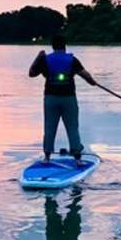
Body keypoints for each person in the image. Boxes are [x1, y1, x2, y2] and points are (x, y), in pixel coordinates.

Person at [28, 34, 97, 164]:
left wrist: (38, 58)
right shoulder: (72, 60)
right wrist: (92, 82)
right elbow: (85, 75)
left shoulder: (45, 60)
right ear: (64, 46)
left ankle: (47, 157)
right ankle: (77, 158)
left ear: (52, 46)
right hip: (69, 99)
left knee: (49, 127)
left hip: (50, 99)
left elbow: (31, 73)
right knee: (72, 128)